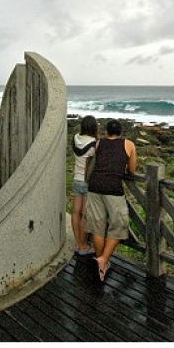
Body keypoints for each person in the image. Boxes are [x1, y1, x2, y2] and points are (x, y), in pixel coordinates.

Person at [85, 119, 137, 282]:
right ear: (120, 132)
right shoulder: (129, 144)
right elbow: (132, 170)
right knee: (119, 224)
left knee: (98, 225)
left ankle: (101, 262)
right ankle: (103, 260)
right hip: (113, 188)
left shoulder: (99, 143)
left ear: (106, 132)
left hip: (94, 186)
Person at [71, 115, 98, 256]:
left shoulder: (75, 138)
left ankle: (77, 243)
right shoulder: (94, 143)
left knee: (76, 212)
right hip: (88, 181)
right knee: (85, 215)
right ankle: (83, 245)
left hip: (76, 179)